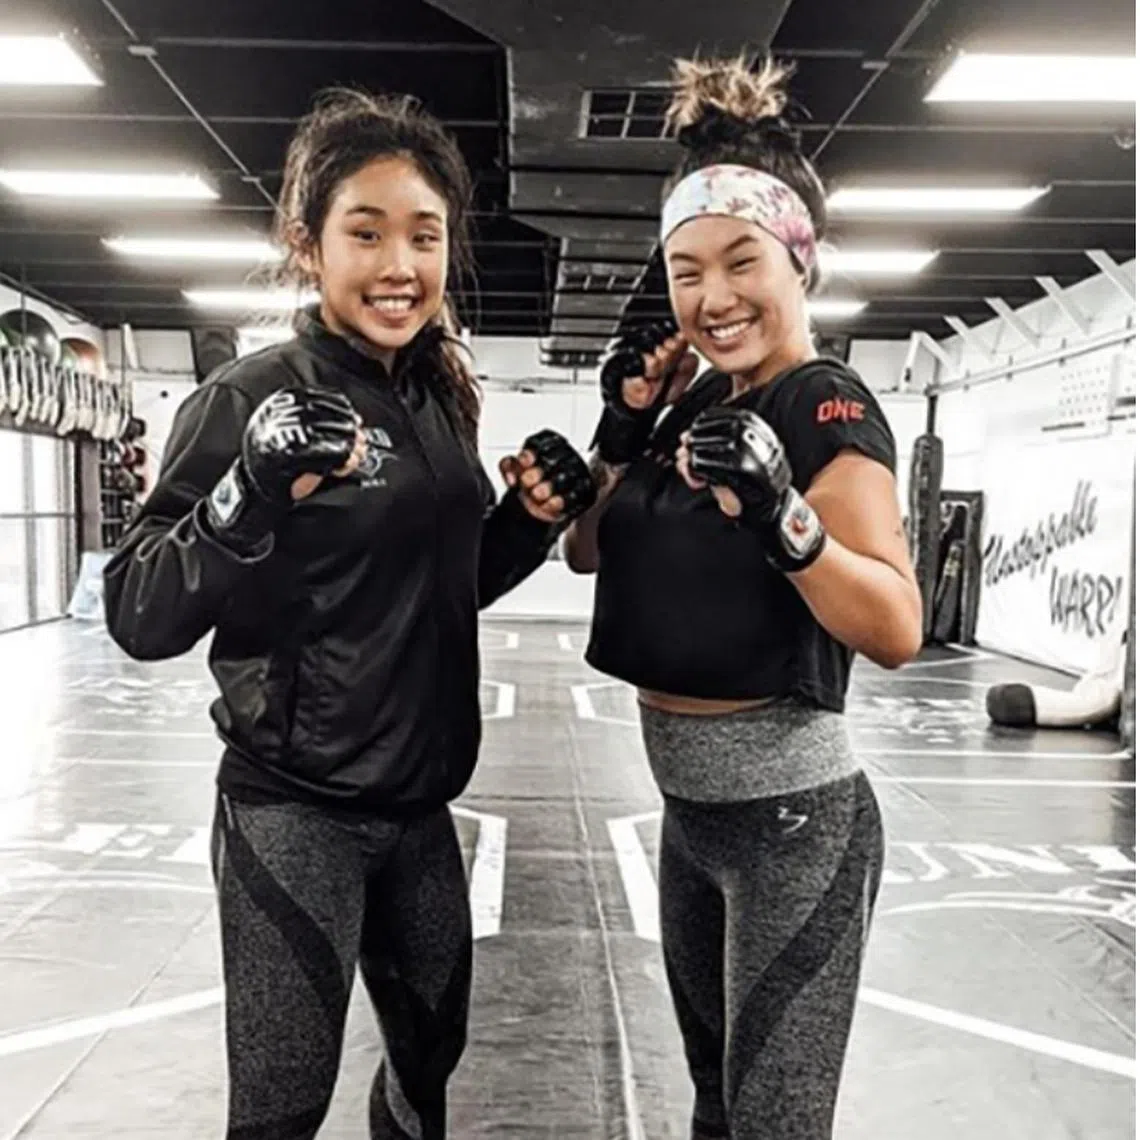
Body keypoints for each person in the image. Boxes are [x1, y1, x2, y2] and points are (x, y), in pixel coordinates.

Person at [103, 88, 595, 1140]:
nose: (399, 266)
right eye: (364, 233)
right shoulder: (245, 398)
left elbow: (439, 589)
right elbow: (138, 612)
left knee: (427, 1068)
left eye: (424, 236)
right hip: (293, 813)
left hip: (419, 810)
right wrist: (250, 490)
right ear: (307, 245)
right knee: (281, 1108)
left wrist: (526, 520)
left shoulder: (438, 397)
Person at [564, 56, 923, 1139]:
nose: (711, 298)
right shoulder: (690, 409)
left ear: (798, 260)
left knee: (774, 1124)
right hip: (693, 820)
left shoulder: (825, 404)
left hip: (796, 825)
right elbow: (585, 554)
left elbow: (898, 627)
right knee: (719, 1111)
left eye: (738, 261)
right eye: (683, 273)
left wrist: (785, 519)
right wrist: (621, 433)